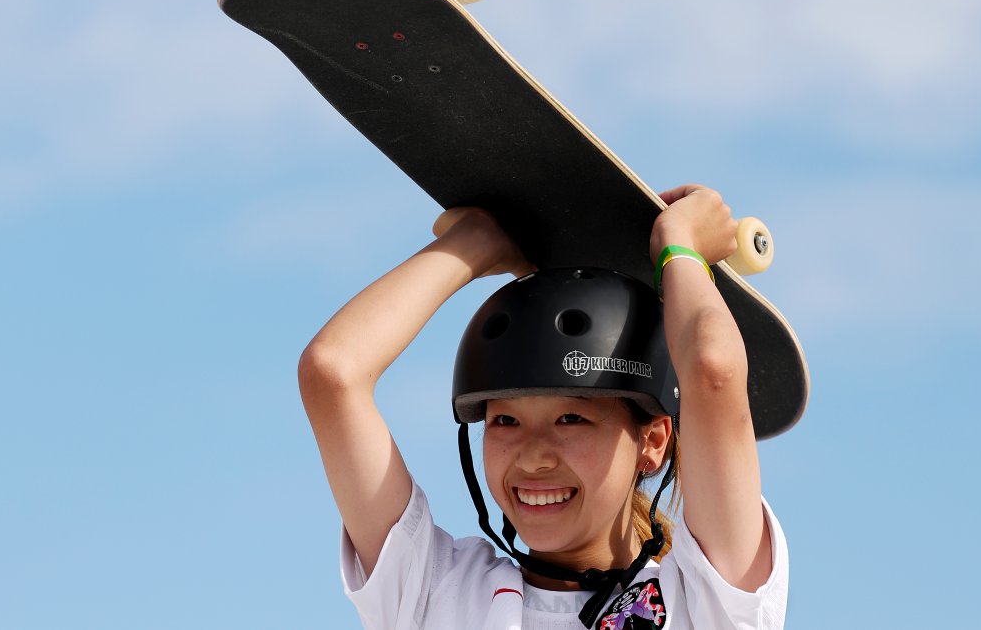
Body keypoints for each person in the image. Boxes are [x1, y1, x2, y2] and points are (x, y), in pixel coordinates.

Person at [297, 185, 788, 629]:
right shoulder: (436, 595)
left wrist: (681, 249)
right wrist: (475, 244)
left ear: (653, 441)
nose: (533, 457)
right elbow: (333, 372)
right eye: (505, 420)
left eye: (571, 418)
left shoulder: (707, 600)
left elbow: (712, 373)